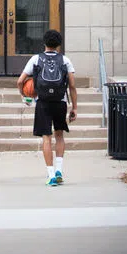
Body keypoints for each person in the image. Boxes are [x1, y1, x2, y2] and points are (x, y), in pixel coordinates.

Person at [17, 29, 77, 187]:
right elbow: (72, 86)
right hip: (60, 101)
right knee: (59, 136)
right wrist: (74, 108)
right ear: (59, 45)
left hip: (42, 101)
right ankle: (59, 171)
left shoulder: (36, 59)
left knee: (46, 137)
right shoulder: (65, 60)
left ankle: (51, 175)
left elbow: (20, 81)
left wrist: (24, 96)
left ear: (44, 43)